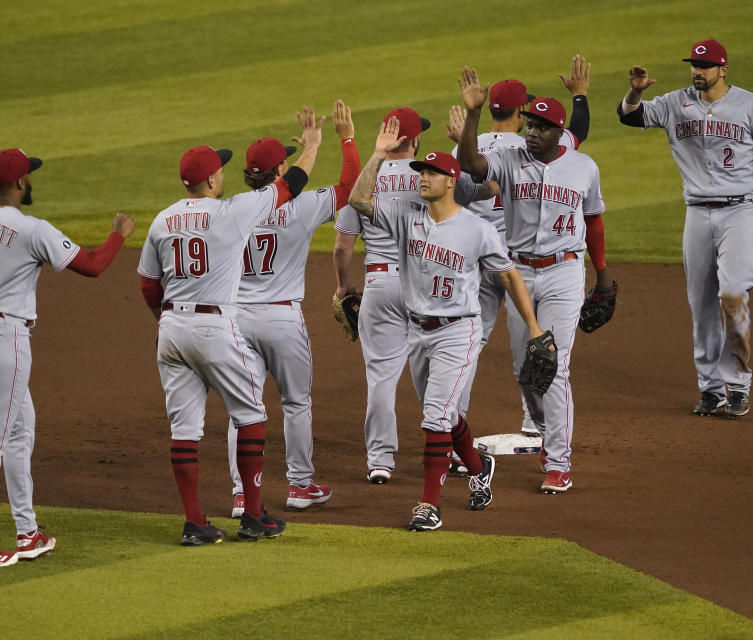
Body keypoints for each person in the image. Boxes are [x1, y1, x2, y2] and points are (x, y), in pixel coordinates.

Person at [0, 148, 135, 568]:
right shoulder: (31, 229)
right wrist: (119, 234)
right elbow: (93, 265)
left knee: (20, 429)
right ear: (21, 183)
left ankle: (28, 533)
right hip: (3, 339)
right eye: (30, 177)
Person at [349, 118, 547, 530]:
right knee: (443, 415)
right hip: (417, 330)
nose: (422, 177)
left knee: (435, 417)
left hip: (458, 331)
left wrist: (532, 327)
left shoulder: (476, 230)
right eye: (421, 171)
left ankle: (428, 505)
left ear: (451, 181)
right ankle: (479, 467)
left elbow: (508, 276)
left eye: (431, 172)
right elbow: (358, 199)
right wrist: (377, 155)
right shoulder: (408, 217)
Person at [137, 108, 324, 544]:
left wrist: (162, 318)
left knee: (185, 430)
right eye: (219, 168)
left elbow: (148, 282)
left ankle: (195, 522)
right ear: (213, 181)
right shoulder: (232, 212)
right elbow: (288, 186)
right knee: (251, 414)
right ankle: (254, 514)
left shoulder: (163, 220)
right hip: (214, 329)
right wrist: (312, 146)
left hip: (171, 330)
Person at [617, 39, 753, 418]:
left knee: (731, 295)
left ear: (723, 69)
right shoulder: (673, 103)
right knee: (700, 305)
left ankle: (739, 385)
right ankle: (711, 389)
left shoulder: (751, 105)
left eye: (706, 65)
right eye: (694, 65)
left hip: (740, 211)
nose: (698, 71)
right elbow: (629, 116)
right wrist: (634, 91)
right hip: (697, 213)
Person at [457, 67, 611, 494]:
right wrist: (472, 115)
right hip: (518, 273)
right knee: (527, 370)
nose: (532, 132)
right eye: (529, 124)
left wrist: (603, 278)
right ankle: (547, 433)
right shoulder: (508, 161)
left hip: (564, 272)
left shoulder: (583, 167)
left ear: (558, 132)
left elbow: (594, 222)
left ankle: (559, 462)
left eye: (542, 127)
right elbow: (470, 164)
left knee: (554, 367)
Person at [333, 107, 487, 484]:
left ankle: (380, 461)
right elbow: (485, 189)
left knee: (381, 376)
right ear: (416, 141)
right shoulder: (431, 178)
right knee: (441, 373)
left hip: (380, 285)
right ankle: (449, 445)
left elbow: (341, 246)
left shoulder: (366, 180)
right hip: (427, 285)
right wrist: (460, 144)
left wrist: (343, 285)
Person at [225, 100, 361, 517]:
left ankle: (240, 494)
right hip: (282, 319)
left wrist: (306, 151)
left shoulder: (231, 210)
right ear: (280, 173)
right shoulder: (301, 209)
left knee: (242, 410)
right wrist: (344, 140)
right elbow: (351, 185)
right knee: (296, 403)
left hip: (236, 319)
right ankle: (300, 486)